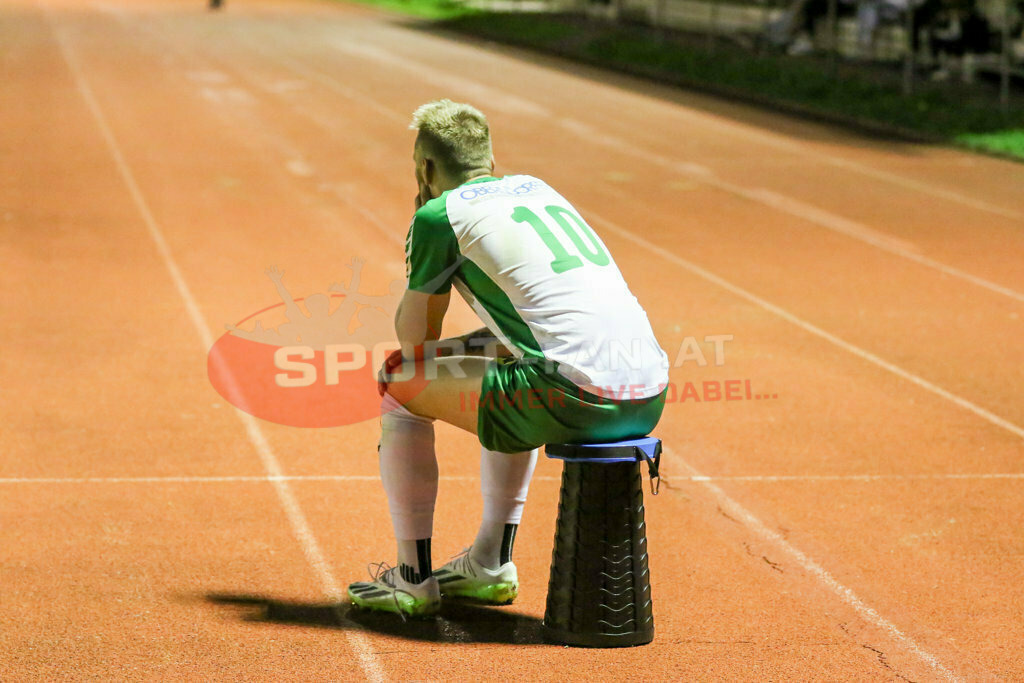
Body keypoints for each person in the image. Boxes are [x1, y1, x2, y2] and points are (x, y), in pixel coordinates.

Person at [346, 99, 669, 618]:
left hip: (570, 396)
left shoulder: (438, 215)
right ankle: (488, 562)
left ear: (425, 168)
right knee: (512, 360)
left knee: (398, 381)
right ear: (491, 161)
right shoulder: (539, 188)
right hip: (649, 391)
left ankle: (412, 580)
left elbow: (416, 343)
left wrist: (422, 241)